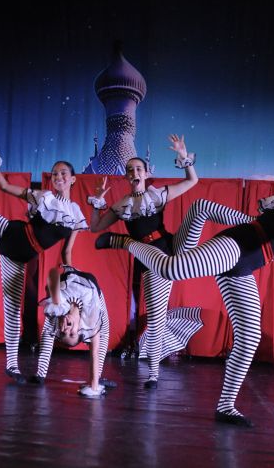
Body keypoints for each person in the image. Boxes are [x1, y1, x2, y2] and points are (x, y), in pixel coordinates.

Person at [96, 157, 274, 425]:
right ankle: (123, 242)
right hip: (234, 246)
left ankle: (225, 406)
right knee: (171, 269)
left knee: (250, 337)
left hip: (245, 267)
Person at [0, 135, 88, 384]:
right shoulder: (44, 196)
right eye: (54, 173)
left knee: (12, 310)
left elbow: (67, 251)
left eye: (63, 173)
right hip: (8, 232)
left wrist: (71, 271)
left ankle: (12, 366)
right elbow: (4, 187)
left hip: (20, 256)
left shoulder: (76, 213)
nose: (58, 177)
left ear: (73, 179)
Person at [88, 135, 217, 388]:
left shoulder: (157, 196)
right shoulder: (122, 206)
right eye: (130, 170)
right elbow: (95, 227)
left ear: (146, 174)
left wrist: (183, 155)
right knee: (157, 319)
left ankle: (235, 235)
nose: (134, 172)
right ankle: (154, 374)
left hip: (170, 247)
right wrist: (97, 202)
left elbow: (192, 181)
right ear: (127, 177)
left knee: (200, 208)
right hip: (149, 262)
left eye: (139, 169)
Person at [29, 265, 112, 397]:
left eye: (63, 333)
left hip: (70, 280)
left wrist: (52, 294)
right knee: (104, 331)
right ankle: (97, 378)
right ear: (80, 328)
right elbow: (95, 350)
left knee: (50, 326)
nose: (67, 329)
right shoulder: (91, 319)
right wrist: (94, 386)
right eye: (72, 333)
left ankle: (40, 373)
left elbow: (51, 277)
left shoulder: (57, 311)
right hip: (92, 290)